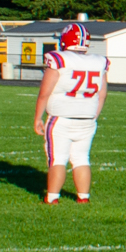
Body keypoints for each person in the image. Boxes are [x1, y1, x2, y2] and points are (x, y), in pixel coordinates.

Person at [33, 22, 108, 205]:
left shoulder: (59, 59)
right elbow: (102, 94)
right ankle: (83, 198)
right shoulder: (99, 61)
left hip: (61, 118)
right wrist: (93, 116)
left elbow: (44, 93)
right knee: (81, 158)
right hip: (87, 119)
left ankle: (52, 198)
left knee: (58, 158)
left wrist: (37, 118)